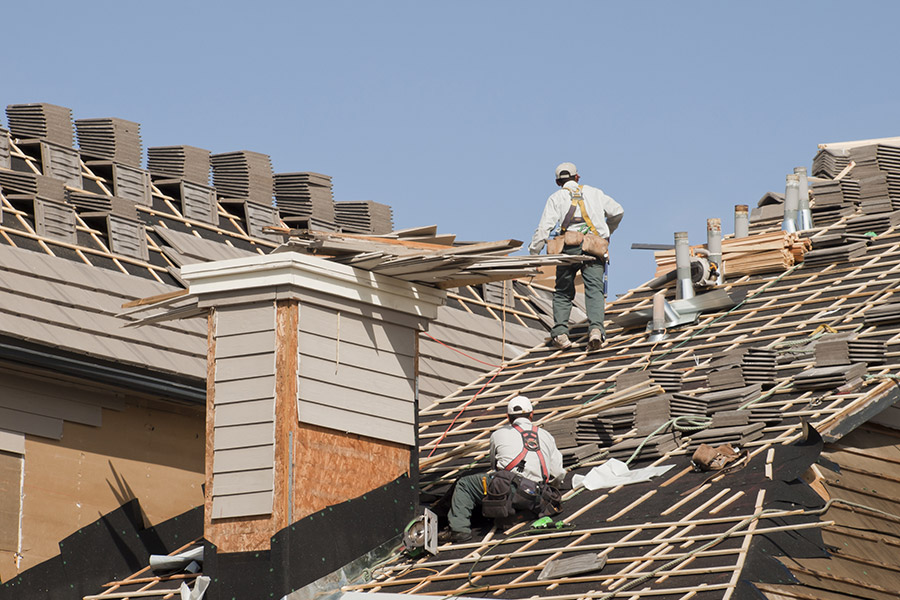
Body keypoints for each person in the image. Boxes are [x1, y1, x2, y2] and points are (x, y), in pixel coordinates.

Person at [441, 395, 565, 543]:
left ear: (508, 417)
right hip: (536, 495)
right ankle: (521, 511)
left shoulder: (498, 434)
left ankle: (459, 530)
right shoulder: (546, 435)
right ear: (531, 415)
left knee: (465, 484)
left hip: (508, 490)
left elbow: (495, 468)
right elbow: (558, 474)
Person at [529, 162, 624, 350]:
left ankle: (561, 334)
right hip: (593, 246)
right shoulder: (595, 193)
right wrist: (608, 233)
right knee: (594, 290)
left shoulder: (556, 198)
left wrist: (534, 254)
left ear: (558, 182)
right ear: (577, 177)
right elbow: (618, 211)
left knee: (563, 292)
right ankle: (596, 330)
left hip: (568, 248)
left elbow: (543, 229)